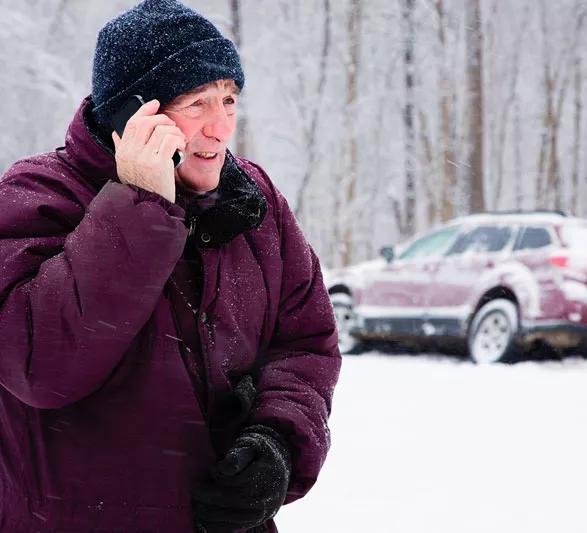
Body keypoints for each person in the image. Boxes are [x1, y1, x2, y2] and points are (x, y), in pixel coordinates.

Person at [0, 0, 341, 531]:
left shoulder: (255, 201)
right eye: (197, 103)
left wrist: (279, 441)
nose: (220, 128)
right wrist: (140, 203)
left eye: (228, 99)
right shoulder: (36, 197)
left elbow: (305, 341)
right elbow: (40, 367)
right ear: (132, 115)